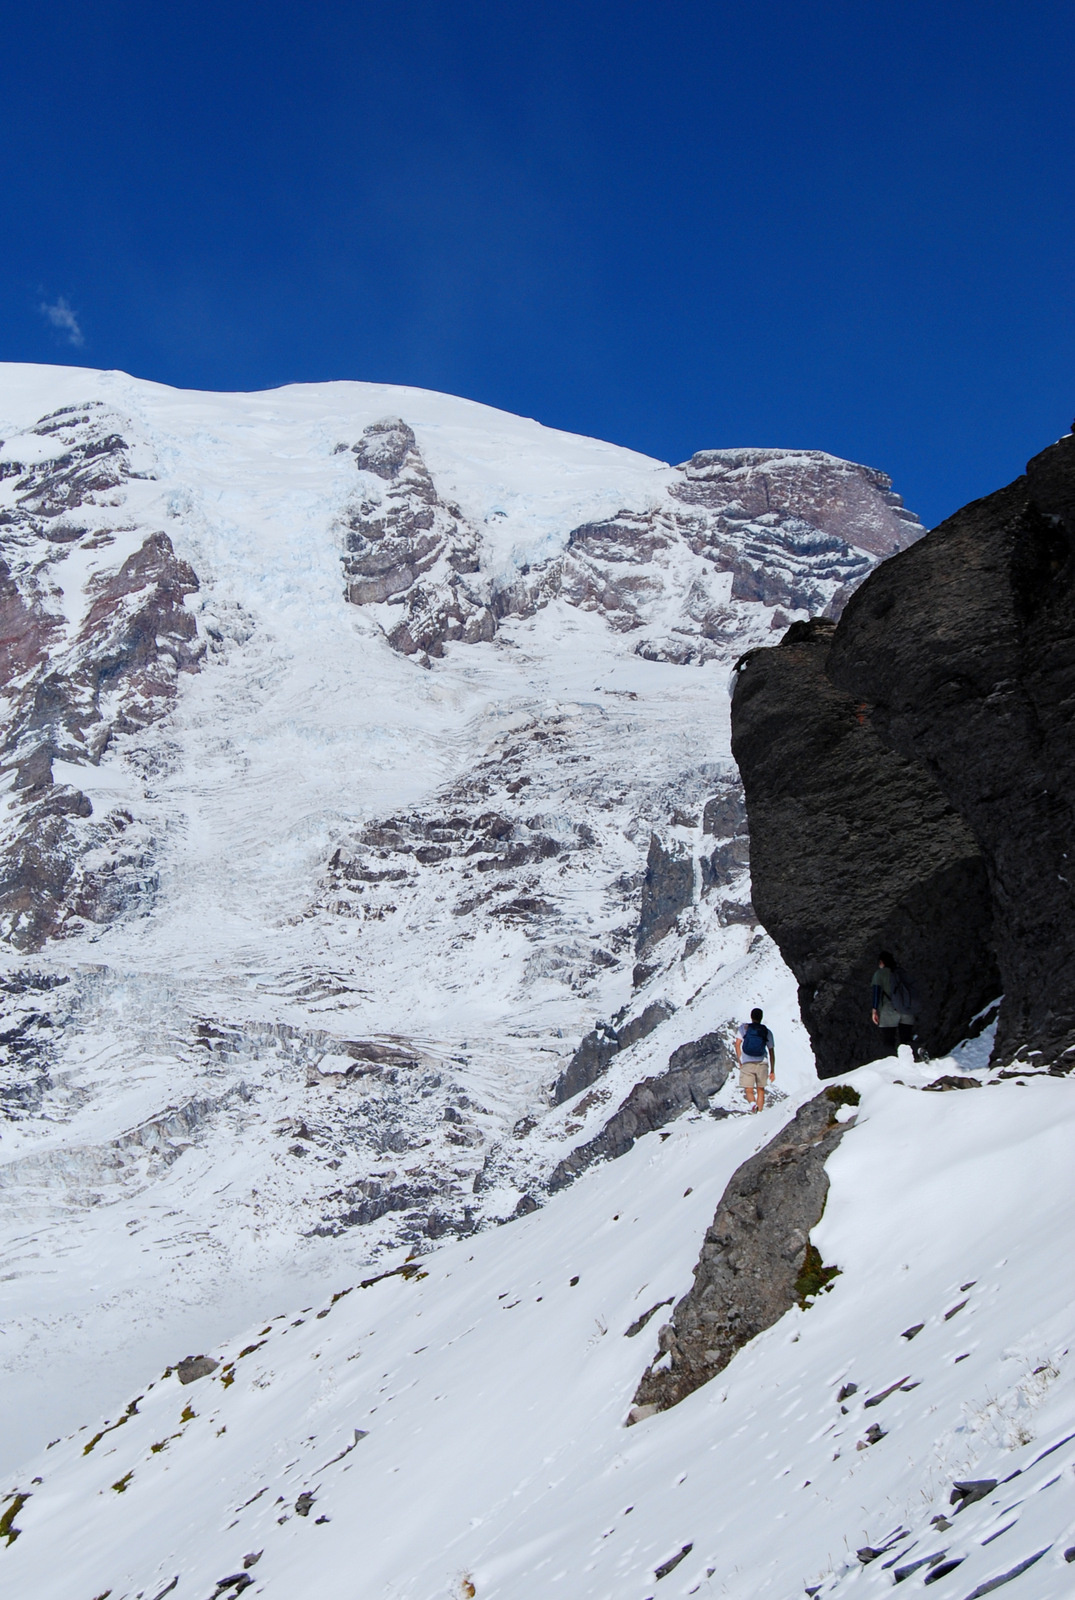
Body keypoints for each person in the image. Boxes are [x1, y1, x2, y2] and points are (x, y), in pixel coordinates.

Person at [871, 950, 915, 1054]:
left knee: (888, 1042)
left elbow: (876, 992)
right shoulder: (902, 972)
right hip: (906, 1009)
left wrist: (874, 1010)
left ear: (881, 962)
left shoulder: (880, 974)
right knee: (906, 1041)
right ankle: (916, 1056)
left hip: (889, 1010)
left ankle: (893, 1067)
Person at [735, 1007, 775, 1112]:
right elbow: (771, 1051)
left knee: (748, 1089)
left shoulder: (744, 1028)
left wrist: (740, 1060)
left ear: (751, 1016)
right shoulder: (766, 1031)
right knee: (760, 1089)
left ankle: (753, 1105)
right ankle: (760, 1113)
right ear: (761, 1017)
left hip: (747, 1062)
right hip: (762, 1062)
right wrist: (772, 1071)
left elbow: (737, 1044)